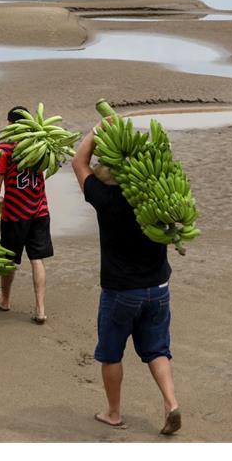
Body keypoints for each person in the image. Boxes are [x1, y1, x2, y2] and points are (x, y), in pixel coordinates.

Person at [72, 123, 182, 436]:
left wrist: (94, 133)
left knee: (110, 353)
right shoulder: (159, 198)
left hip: (121, 291)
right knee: (157, 349)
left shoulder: (104, 198)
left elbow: (78, 162)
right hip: (158, 287)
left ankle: (113, 413)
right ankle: (171, 403)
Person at [0, 105, 53, 323]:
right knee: (37, 259)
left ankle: (5, 300)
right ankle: (40, 310)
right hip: (40, 210)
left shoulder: (4, 148)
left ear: (10, 124)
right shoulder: (41, 145)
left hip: (14, 214)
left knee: (8, 259)